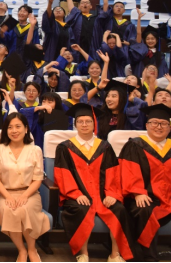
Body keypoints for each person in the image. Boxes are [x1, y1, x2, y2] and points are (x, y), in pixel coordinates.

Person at [54, 103, 133, 262]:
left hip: (103, 195)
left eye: (88, 121)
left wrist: (111, 194)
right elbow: (62, 174)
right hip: (78, 195)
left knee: (119, 209)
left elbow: (113, 173)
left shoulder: (105, 147)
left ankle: (115, 254)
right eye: (80, 121)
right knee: (80, 209)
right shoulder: (65, 147)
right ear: (75, 124)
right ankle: (83, 254)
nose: (84, 125)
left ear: (94, 123)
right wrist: (76, 194)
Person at [119, 104, 171, 262]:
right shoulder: (135, 145)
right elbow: (129, 171)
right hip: (146, 196)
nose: (159, 127)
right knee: (143, 210)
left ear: (169, 127)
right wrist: (137, 192)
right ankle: (148, 257)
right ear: (147, 125)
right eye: (155, 123)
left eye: (163, 123)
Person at [0, 112, 50, 263]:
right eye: (10, 127)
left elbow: (38, 179)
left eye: (18, 126)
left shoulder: (35, 150)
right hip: (6, 193)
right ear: (5, 130)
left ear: (26, 128)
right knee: (10, 210)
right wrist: (8, 197)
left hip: (30, 193)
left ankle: (32, 249)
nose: (14, 131)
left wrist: (24, 196)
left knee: (25, 209)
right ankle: (22, 250)